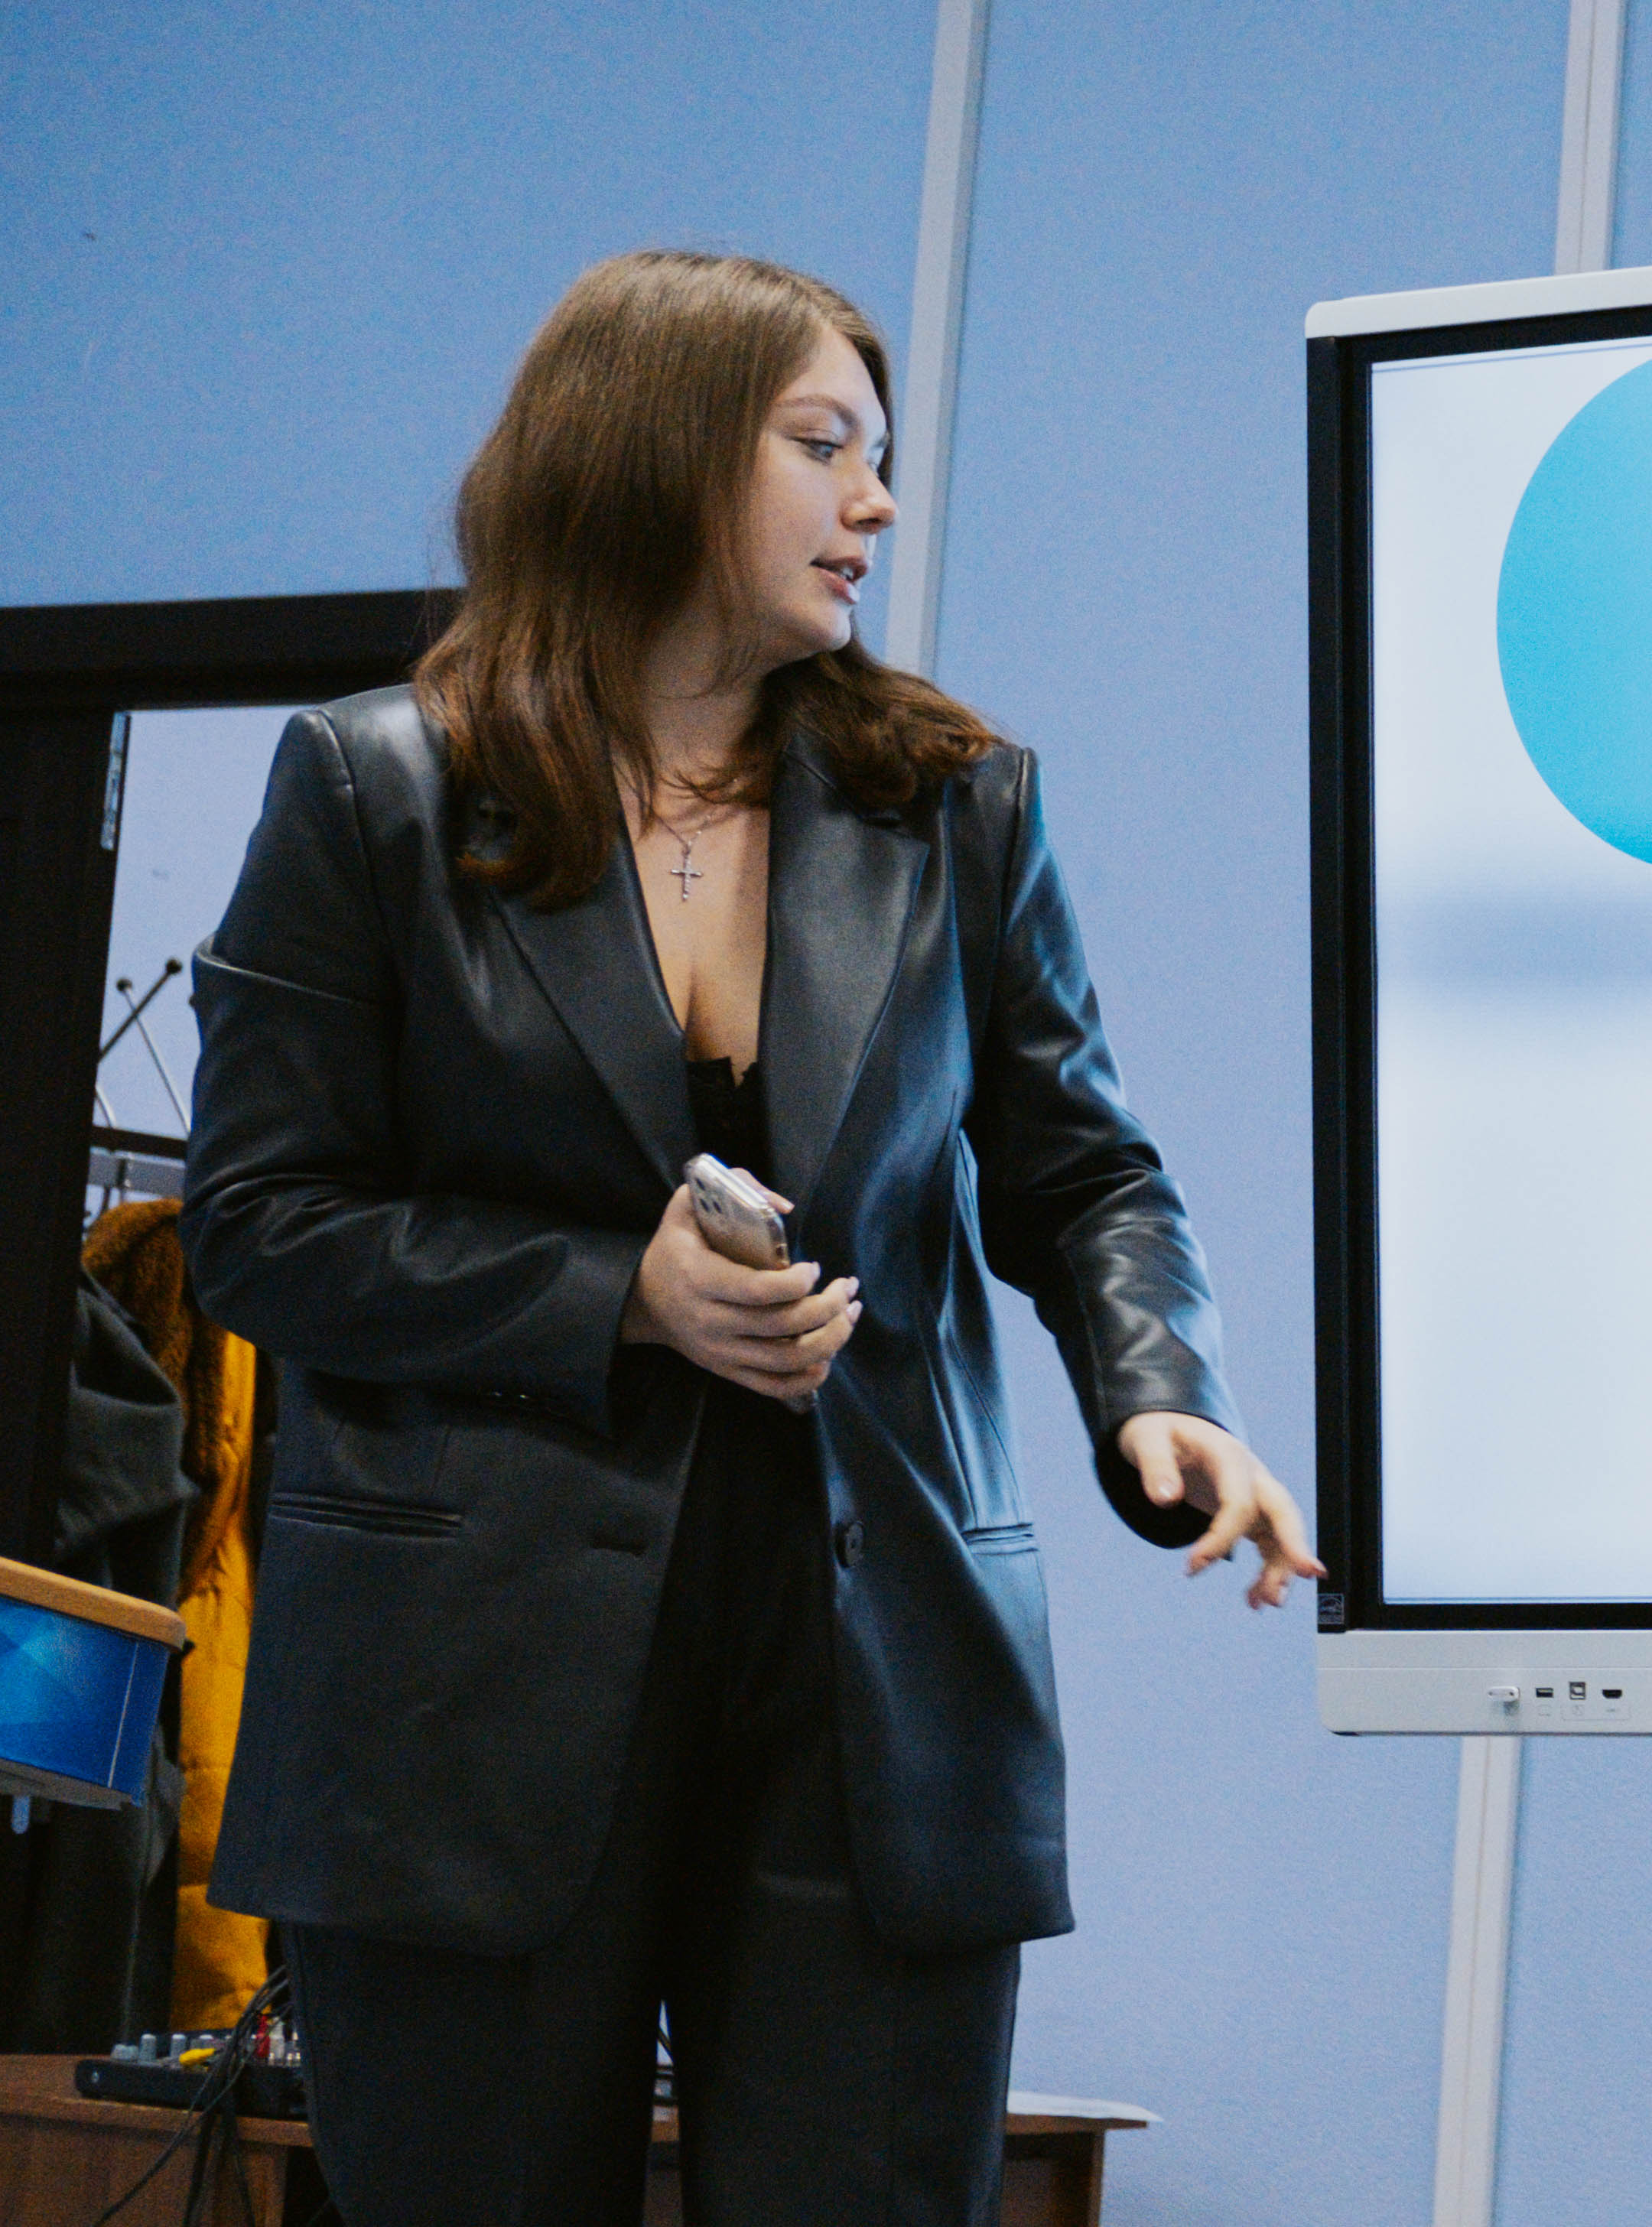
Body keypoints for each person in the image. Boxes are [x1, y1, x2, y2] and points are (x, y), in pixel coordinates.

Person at [183, 251, 1318, 2224]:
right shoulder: (376, 787)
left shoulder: (956, 803)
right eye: (824, 447)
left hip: (878, 1680)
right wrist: (612, 1293)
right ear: (660, 452)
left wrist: (1166, 1391)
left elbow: (1084, 1172)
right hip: (467, 1700)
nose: (877, 501)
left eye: (879, 455)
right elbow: (261, 1227)